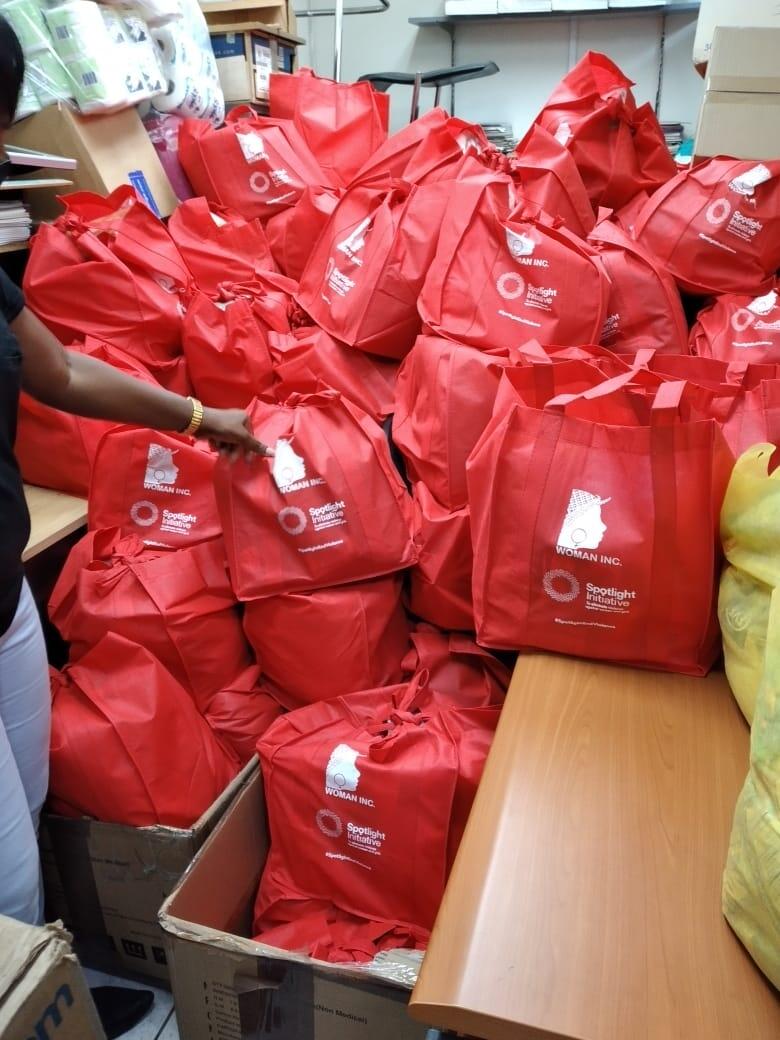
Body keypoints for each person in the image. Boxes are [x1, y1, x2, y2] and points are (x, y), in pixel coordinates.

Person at [0, 16, 271, 1036]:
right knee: (8, 864)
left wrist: (202, 418)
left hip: (4, 594)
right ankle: (31, 1006)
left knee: (30, 794)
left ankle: (46, 969)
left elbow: (60, 371)